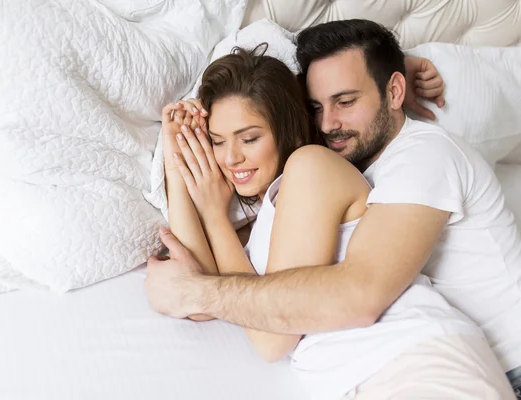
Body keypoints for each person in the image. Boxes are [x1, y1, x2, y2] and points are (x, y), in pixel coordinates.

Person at [148, 19, 521, 398]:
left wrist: (196, 283)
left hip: (464, 361)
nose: (328, 123)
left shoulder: (418, 156)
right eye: (316, 106)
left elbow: (287, 321)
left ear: (394, 91)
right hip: (375, 372)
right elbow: (227, 294)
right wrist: (179, 162)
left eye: (346, 101)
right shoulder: (298, 196)